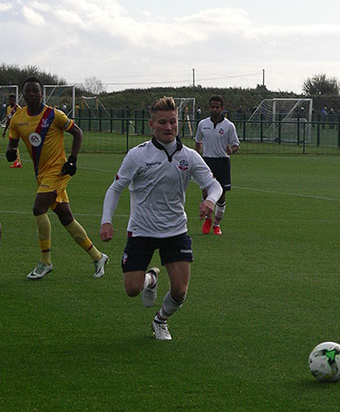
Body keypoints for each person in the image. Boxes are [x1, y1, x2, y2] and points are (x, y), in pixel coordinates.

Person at [100, 97, 222, 341]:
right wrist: (106, 220)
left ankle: (160, 320)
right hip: (142, 230)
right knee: (132, 289)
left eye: (173, 122)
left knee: (180, 290)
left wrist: (210, 200)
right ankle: (151, 278)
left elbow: (214, 184)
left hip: (175, 230)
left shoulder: (189, 156)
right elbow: (115, 188)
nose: (169, 127)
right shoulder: (137, 155)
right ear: (151, 125)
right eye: (163, 122)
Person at [5, 77, 109, 280]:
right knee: (66, 218)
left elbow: (77, 133)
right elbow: (13, 143)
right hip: (41, 174)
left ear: (42, 94)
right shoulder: (17, 118)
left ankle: (45, 262)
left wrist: (73, 160)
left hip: (57, 171)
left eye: (36, 91)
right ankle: (98, 256)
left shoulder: (54, 115)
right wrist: (11, 151)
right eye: (28, 91)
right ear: (23, 94)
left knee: (38, 208)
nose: (32, 94)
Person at [195, 95, 240, 236]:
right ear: (209, 108)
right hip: (207, 161)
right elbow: (198, 141)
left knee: (221, 195)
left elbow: (236, 144)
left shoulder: (229, 126)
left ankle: (217, 224)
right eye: (212, 107)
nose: (214, 109)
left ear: (222, 108)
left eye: (217, 107)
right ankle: (208, 219)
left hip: (222, 162)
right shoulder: (202, 124)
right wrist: (197, 154)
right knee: (205, 192)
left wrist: (231, 150)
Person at [3, 94, 22, 167]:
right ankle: (17, 161)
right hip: (11, 129)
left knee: (14, 144)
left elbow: (21, 118)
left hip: (17, 129)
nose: (10, 101)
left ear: (15, 100)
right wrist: (4, 131)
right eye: (9, 100)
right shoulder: (8, 108)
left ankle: (17, 161)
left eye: (12, 100)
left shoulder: (18, 108)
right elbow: (8, 120)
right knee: (13, 144)